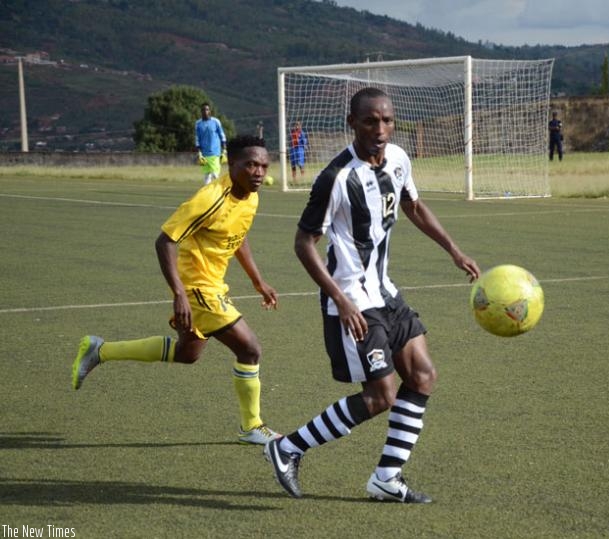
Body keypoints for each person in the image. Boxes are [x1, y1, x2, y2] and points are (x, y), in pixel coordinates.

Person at [264, 88, 480, 503]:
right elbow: (303, 244)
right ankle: (287, 447)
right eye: (369, 121)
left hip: (386, 292)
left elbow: (412, 205)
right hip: (351, 300)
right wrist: (341, 301)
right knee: (381, 396)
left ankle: (386, 477)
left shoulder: (398, 158)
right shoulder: (335, 178)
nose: (379, 130)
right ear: (352, 123)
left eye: (386, 121)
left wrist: (453, 250)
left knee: (423, 376)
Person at [72, 135, 281, 446]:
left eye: (263, 165)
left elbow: (239, 236)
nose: (259, 172)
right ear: (231, 163)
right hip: (196, 287)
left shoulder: (250, 196)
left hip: (212, 285)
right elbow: (165, 240)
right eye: (250, 164)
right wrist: (179, 293)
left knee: (187, 354)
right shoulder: (210, 198)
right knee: (249, 349)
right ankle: (251, 426)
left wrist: (257, 280)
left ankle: (99, 351)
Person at [195, 102, 227, 185]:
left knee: (215, 175)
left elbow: (222, 135)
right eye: (203, 110)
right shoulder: (198, 123)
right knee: (207, 176)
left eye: (207, 109)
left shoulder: (216, 122)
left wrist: (224, 150)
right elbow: (197, 138)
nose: (205, 111)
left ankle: (219, 192)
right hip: (204, 154)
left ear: (210, 111)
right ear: (201, 111)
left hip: (215, 153)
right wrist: (199, 152)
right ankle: (208, 195)